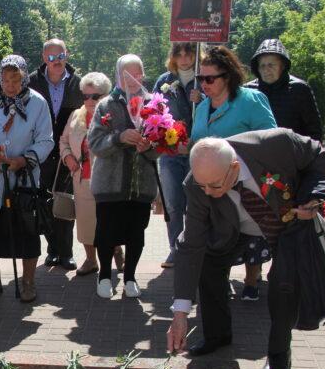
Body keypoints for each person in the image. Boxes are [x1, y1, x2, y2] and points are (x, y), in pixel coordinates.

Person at [166, 129, 325, 369]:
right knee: (207, 263)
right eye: (201, 184)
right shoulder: (197, 184)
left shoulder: (276, 145)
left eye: (214, 185)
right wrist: (180, 313)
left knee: (283, 284)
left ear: (234, 168)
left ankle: (279, 353)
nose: (206, 192)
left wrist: (309, 196)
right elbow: (191, 244)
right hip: (234, 229)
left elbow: (318, 155)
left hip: (285, 223)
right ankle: (217, 336)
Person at [191, 45, 277, 303]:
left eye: (210, 79)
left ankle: (251, 280)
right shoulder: (202, 107)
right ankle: (221, 280)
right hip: (211, 187)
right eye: (201, 78)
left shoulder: (251, 100)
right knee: (217, 236)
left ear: (227, 76)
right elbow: (198, 142)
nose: (203, 84)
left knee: (250, 235)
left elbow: (270, 140)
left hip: (245, 184)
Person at [0, 54, 54, 303]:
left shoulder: (37, 102)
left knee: (27, 232)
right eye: (5, 80)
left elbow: (46, 140)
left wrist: (23, 160)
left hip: (24, 178)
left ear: (24, 78)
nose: (10, 85)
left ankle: (28, 282)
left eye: (16, 80)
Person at [87, 54, 162, 300]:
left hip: (141, 184)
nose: (132, 79)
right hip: (109, 184)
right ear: (118, 75)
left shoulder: (154, 105)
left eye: (137, 73)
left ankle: (130, 277)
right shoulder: (106, 105)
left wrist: (149, 147)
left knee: (136, 234)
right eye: (127, 74)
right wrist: (119, 138)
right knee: (106, 233)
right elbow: (94, 143)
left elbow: (163, 146)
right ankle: (104, 276)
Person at [28, 38, 84, 271]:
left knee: (65, 201)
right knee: (44, 202)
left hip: (67, 151)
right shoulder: (31, 82)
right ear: (44, 58)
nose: (57, 61)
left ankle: (66, 253)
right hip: (41, 151)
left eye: (60, 56)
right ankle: (52, 250)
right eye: (51, 57)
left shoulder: (78, 83)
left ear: (66, 55)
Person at [58, 71, 119, 277]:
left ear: (106, 95)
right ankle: (91, 260)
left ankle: (117, 252)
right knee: (85, 222)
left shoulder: (115, 115)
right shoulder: (76, 115)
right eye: (85, 96)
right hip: (82, 177)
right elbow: (63, 141)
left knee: (110, 221)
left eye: (95, 96)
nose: (89, 100)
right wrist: (67, 157)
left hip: (109, 179)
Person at [153, 42, 203, 268]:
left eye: (188, 53)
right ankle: (175, 248)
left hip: (198, 151)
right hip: (171, 151)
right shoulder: (164, 80)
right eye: (179, 54)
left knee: (196, 203)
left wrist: (202, 100)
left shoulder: (205, 79)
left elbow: (220, 106)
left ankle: (193, 248)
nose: (184, 58)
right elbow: (154, 112)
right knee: (173, 203)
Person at [245, 39, 322, 142]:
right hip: (256, 150)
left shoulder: (299, 89)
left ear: (282, 66)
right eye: (262, 66)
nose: (266, 70)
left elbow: (315, 131)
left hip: (293, 150)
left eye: (271, 65)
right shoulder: (248, 91)